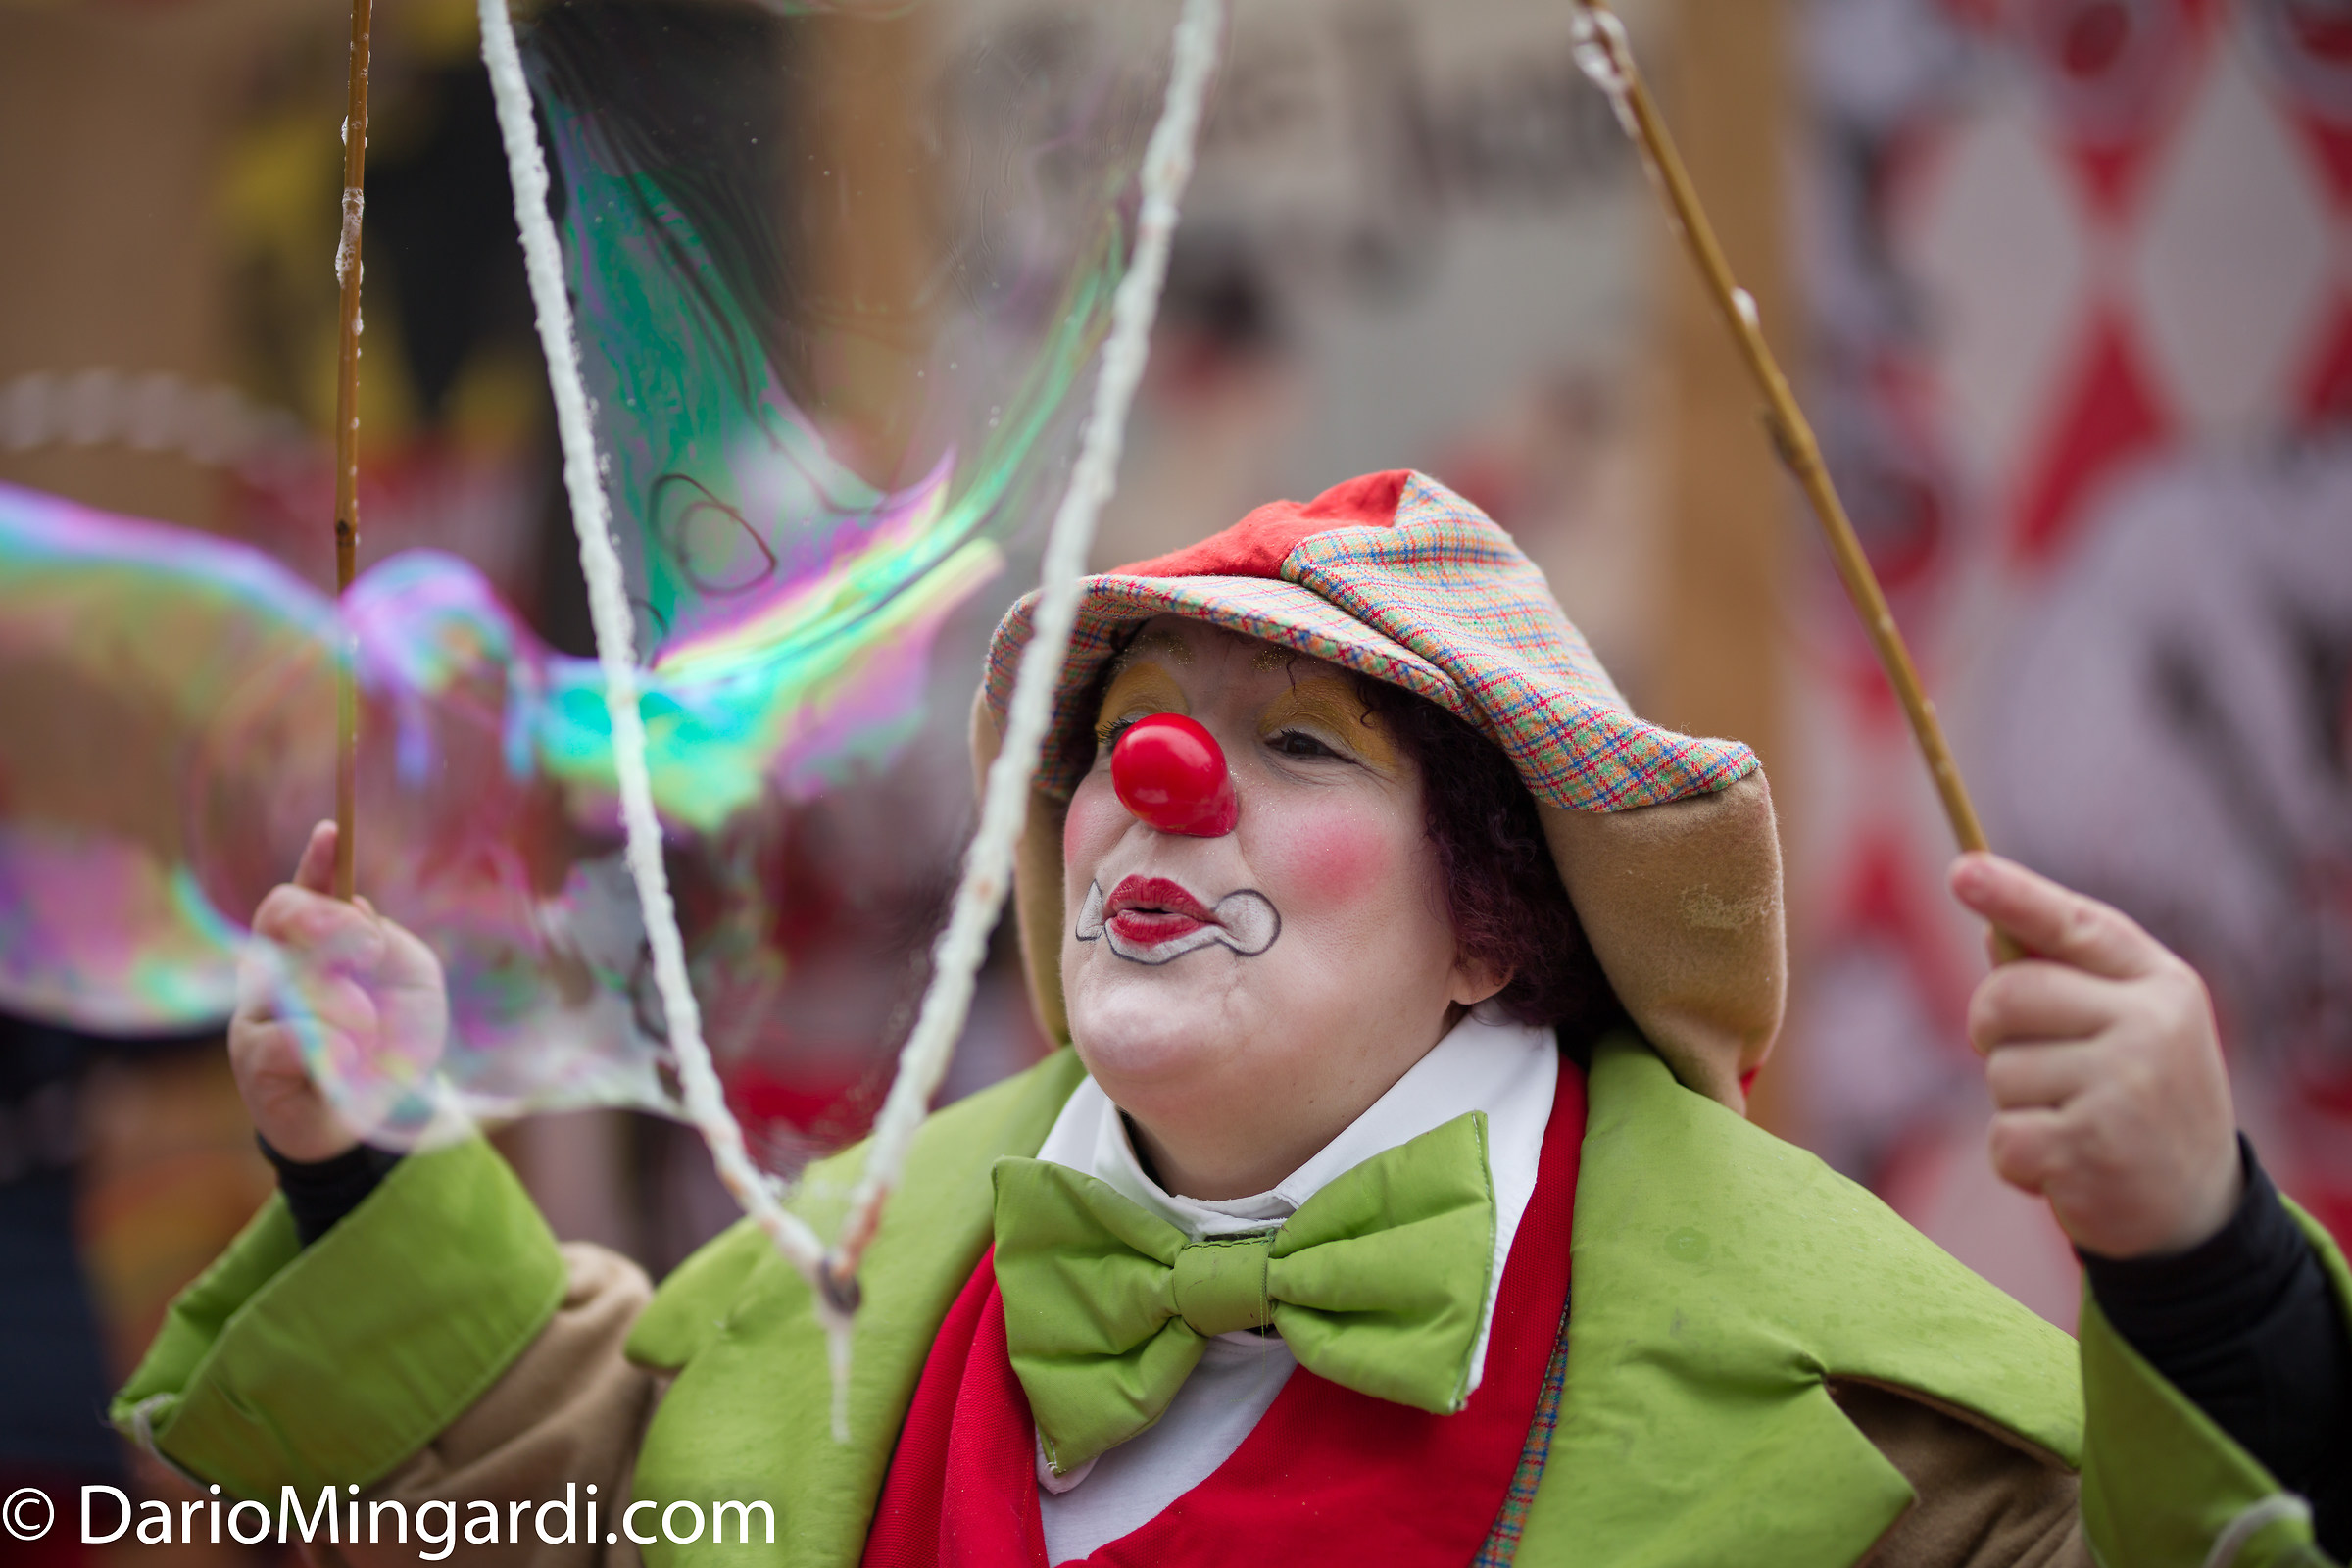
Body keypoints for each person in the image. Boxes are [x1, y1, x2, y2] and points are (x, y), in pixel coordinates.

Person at [115, 471, 2347, 1566]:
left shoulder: (1871, 1423)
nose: (1153, 787)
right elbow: (560, 1493)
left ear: (1495, 919)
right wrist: (368, 1152)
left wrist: (2203, 1260)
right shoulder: (866, 1267)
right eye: (1133, 734)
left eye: (1303, 749)